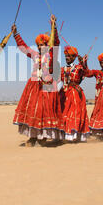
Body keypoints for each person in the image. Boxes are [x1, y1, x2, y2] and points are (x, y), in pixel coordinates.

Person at [11, 15, 63, 147]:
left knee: (45, 111)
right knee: (33, 110)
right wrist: (16, 34)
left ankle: (43, 137)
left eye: (43, 45)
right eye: (38, 45)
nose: (40, 47)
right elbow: (23, 47)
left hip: (47, 86)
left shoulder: (52, 54)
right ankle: (33, 137)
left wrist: (53, 26)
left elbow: (56, 42)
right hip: (34, 86)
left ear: (47, 44)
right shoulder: (35, 55)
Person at [59, 46, 90, 142]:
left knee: (73, 113)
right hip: (63, 93)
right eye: (66, 56)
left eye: (69, 56)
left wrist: (84, 63)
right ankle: (63, 135)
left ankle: (73, 135)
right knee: (62, 113)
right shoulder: (62, 69)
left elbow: (87, 73)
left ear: (74, 57)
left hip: (75, 94)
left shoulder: (78, 68)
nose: (67, 58)